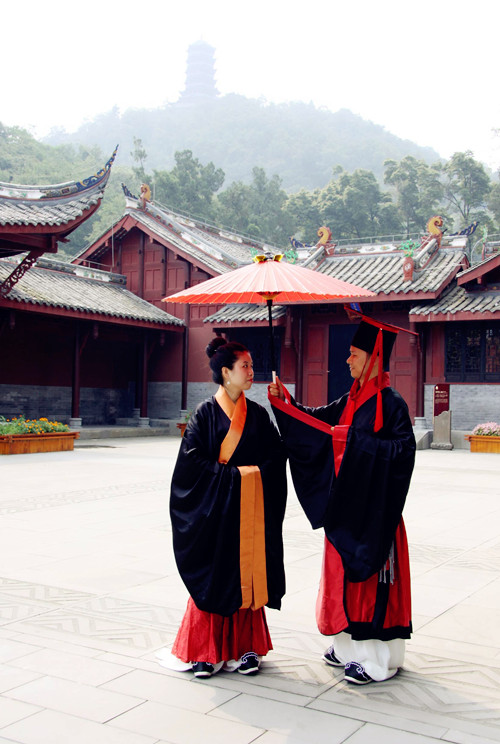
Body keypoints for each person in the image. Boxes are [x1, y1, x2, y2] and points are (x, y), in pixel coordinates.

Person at [269, 313, 416, 685]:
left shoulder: (391, 403)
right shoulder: (351, 398)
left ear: (374, 357)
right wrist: (284, 402)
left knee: (366, 583)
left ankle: (373, 658)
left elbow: (402, 453)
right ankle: (345, 644)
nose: (347, 360)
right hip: (345, 509)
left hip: (373, 516)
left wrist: (353, 442)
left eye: (353, 354)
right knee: (340, 580)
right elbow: (318, 423)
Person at [161, 337, 287, 679]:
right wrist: (234, 477)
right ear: (225, 372)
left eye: (250, 365)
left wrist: (284, 407)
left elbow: (277, 456)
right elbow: (191, 465)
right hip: (214, 512)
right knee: (213, 575)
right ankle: (206, 650)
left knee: (247, 575)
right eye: (244, 366)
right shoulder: (203, 415)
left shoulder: (258, 415)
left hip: (248, 514)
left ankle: (247, 648)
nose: (251, 372)